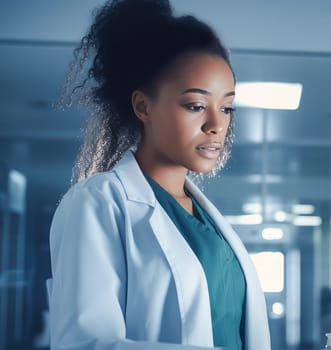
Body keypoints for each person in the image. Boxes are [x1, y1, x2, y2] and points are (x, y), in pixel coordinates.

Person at [48, 0, 270, 349]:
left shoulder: (206, 220)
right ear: (143, 106)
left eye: (226, 107)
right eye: (196, 106)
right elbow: (85, 344)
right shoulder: (97, 204)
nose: (217, 125)